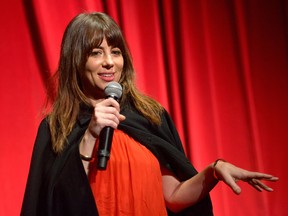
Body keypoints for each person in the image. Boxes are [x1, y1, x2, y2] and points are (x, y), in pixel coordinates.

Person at [21, 12, 278, 216]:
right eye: (96, 53)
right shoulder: (56, 128)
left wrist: (213, 171)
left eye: (116, 51)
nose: (110, 61)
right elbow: (58, 202)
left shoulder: (149, 117)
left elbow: (174, 198)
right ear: (76, 61)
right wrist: (90, 135)